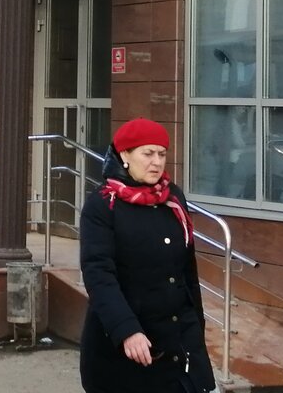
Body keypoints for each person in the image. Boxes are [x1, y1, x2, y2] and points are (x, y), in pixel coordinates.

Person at [79, 118, 217, 393]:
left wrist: (195, 327)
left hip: (180, 343)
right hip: (129, 349)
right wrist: (126, 330)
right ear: (125, 155)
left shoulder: (173, 199)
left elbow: (187, 271)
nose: (156, 162)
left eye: (162, 154)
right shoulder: (103, 205)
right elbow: (98, 274)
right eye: (148, 153)